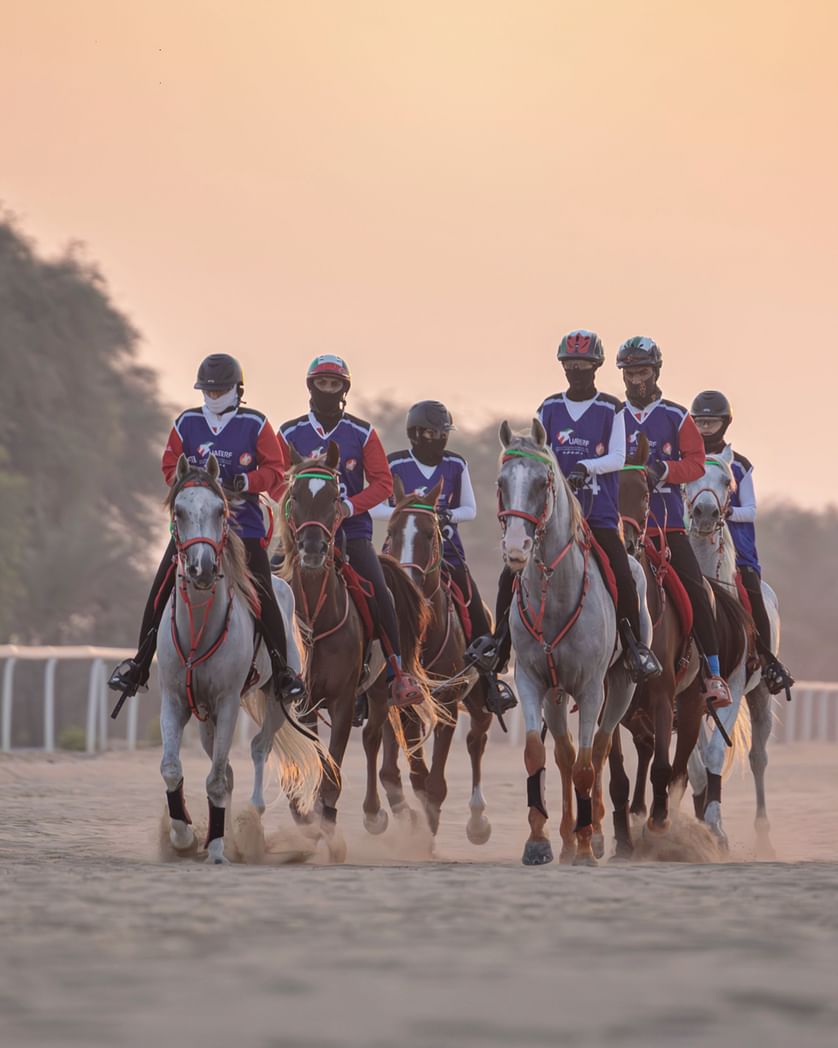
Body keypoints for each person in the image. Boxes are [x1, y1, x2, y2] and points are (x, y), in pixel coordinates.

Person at [108, 353, 305, 702]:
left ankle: (282, 669)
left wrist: (246, 480)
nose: (213, 397)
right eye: (208, 391)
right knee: (159, 588)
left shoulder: (256, 424)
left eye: (221, 391)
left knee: (263, 592)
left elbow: (276, 470)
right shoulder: (186, 423)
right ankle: (138, 666)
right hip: (194, 531)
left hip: (241, 529)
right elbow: (170, 465)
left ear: (237, 390)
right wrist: (189, 484)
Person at [472, 331, 662, 684]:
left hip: (599, 513)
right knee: (510, 573)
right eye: (570, 364)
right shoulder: (549, 408)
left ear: (596, 367)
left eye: (583, 365)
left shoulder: (611, 408)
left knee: (622, 572)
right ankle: (499, 644)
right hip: (554, 517)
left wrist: (586, 467)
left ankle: (635, 648)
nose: (576, 371)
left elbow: (619, 457)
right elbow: (537, 456)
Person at [277, 355, 424, 708]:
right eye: (322, 384)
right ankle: (263, 667)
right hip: (301, 534)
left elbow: (383, 481)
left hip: (351, 531)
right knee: (267, 588)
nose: (328, 390)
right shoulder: (288, 432)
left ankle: (397, 673)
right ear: (311, 387)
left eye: (335, 384)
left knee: (383, 595)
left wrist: (349, 506)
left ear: (344, 389)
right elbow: (274, 481)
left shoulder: (362, 432)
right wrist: (292, 514)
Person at [371, 400, 517, 712]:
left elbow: (470, 508)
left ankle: (489, 679)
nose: (438, 438)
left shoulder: (455, 464)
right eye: (431, 433)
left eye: (442, 433)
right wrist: (407, 511)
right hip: (399, 555)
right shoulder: (395, 463)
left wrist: (444, 514)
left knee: (473, 603)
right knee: (370, 602)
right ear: (415, 434)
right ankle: (363, 681)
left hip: (445, 552)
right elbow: (375, 504)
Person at [618, 337, 731, 706]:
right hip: (618, 524)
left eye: (643, 372)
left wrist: (664, 469)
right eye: (630, 372)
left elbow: (697, 463)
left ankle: (713, 674)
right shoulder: (613, 417)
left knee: (696, 589)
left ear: (656, 372)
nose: (636, 380)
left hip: (666, 525)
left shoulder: (677, 416)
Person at [690, 390, 794, 694]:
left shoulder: (740, 466)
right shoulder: (687, 461)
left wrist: (727, 511)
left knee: (750, 585)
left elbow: (751, 509)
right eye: (701, 422)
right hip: (695, 537)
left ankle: (767, 659)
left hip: (735, 542)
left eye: (712, 422)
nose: (706, 428)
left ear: (725, 424)